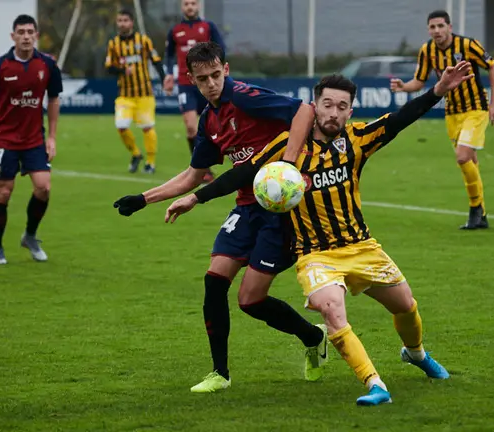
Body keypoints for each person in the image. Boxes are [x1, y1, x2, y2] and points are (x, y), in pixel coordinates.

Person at [161, 63, 474, 405]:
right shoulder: (285, 148)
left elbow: (400, 119)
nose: (333, 113)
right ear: (315, 106)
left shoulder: (357, 140)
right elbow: (243, 173)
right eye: (327, 104)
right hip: (316, 256)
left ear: (349, 112)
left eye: (342, 107)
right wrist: (194, 198)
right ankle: (374, 385)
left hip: (362, 246)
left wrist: (438, 91)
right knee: (332, 312)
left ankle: (415, 353)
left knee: (406, 306)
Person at [113, 41, 326, 393]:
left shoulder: (244, 96)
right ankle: (220, 373)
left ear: (226, 70)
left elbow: (304, 111)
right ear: (191, 80)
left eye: (216, 74)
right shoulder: (209, 120)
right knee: (214, 280)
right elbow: (194, 175)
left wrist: (286, 165)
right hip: (246, 206)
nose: (212, 83)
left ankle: (312, 335)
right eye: (203, 78)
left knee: (250, 301)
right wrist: (143, 198)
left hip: (280, 211)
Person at [0, 14, 63, 265]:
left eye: (30, 31)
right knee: (4, 192)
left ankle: (29, 236)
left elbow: (53, 100)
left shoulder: (48, 66)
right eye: (21, 32)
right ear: (13, 36)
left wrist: (51, 136)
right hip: (5, 138)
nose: (26, 36)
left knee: (44, 186)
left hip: (34, 138)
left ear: (37, 36)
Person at [391, 10, 494, 230]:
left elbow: (492, 66)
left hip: (476, 109)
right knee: (470, 162)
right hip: (452, 113)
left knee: (462, 156)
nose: (437, 31)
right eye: (432, 27)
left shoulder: (468, 45)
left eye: (441, 26)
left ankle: (474, 209)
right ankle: (481, 215)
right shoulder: (427, 50)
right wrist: (404, 87)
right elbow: (419, 81)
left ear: (449, 27)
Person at [163, 0, 226, 183]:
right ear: (182, 7)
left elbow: (221, 50)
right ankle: (202, 169)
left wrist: (217, 72)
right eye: (186, 4)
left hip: (207, 83)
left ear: (198, 5)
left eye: (192, 3)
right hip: (186, 83)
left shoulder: (208, 26)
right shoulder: (175, 30)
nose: (189, 7)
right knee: (191, 127)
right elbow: (168, 55)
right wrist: (168, 75)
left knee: (216, 126)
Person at [105, 8, 166, 174]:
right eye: (119, 20)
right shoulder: (113, 44)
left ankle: (150, 163)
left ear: (131, 22)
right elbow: (109, 68)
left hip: (144, 93)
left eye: (125, 20)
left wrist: (164, 79)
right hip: (125, 95)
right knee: (121, 126)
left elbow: (156, 60)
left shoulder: (144, 40)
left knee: (147, 127)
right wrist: (123, 71)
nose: (122, 23)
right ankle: (136, 153)